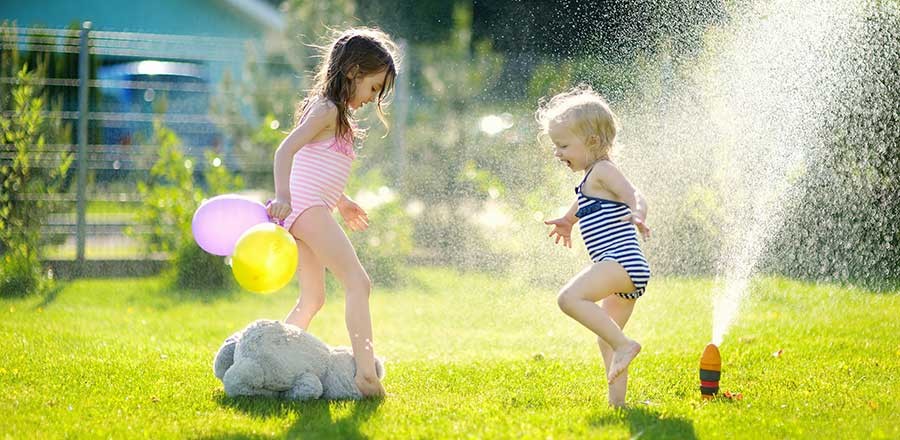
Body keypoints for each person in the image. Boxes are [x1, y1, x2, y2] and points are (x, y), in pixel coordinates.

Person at [266, 28, 398, 398]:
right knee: (359, 282)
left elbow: (319, 168)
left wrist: (343, 201)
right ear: (353, 71)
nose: (373, 99)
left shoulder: (337, 116)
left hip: (314, 209)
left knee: (312, 300)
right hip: (305, 210)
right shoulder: (326, 110)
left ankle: (274, 362)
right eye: (373, 88)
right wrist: (282, 196)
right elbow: (285, 152)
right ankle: (366, 375)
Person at [537, 85, 651, 407]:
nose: (558, 153)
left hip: (621, 263)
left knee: (569, 298)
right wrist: (566, 221)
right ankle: (619, 405)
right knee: (606, 339)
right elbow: (580, 206)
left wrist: (638, 214)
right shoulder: (589, 180)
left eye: (563, 145)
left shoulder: (603, 170)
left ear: (591, 141)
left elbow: (635, 195)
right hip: (624, 271)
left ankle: (626, 345)